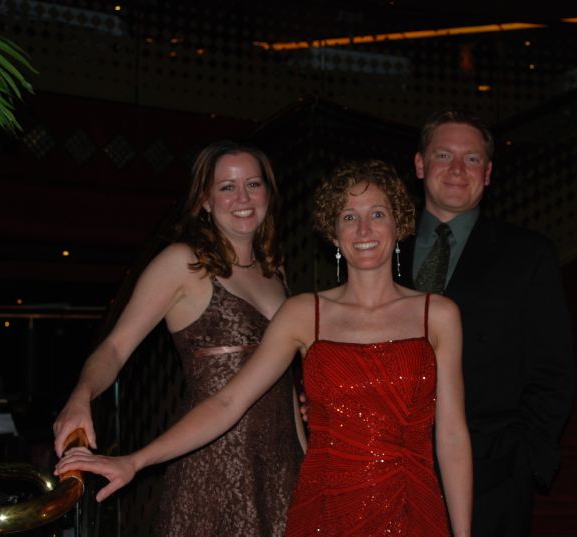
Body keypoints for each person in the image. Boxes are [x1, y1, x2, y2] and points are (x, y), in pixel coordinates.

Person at [56, 159, 473, 537]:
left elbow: (452, 437)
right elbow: (228, 402)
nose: (364, 230)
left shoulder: (436, 314)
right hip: (318, 504)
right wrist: (134, 460)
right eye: (350, 217)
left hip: (404, 504)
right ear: (334, 231)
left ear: (398, 224)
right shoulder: (300, 312)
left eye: (377, 214)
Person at [52, 140, 305, 536]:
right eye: (227, 187)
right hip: (213, 465)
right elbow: (116, 347)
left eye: (253, 185)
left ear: (269, 195)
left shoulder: (277, 271)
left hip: (280, 464)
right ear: (205, 200)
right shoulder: (181, 263)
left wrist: (306, 458)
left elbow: (283, 378)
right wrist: (81, 394)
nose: (242, 197)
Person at [398, 109, 573, 536]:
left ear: (488, 173)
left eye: (472, 159)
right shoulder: (380, 250)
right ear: (420, 165)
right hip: (388, 469)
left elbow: (553, 368)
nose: (458, 169)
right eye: (443, 155)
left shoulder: (528, 255)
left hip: (491, 476)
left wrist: (527, 460)